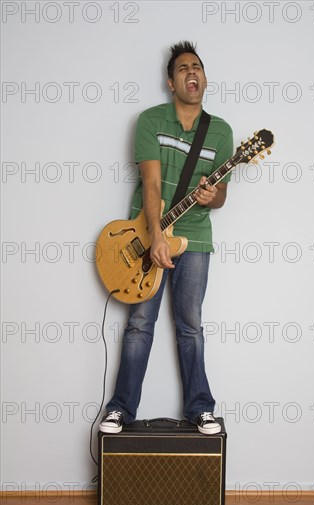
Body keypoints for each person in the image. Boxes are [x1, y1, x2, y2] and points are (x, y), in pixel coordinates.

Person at [99, 41, 233, 435]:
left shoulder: (221, 132)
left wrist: (215, 195)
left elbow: (223, 195)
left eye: (197, 67)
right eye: (182, 68)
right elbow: (152, 184)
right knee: (141, 321)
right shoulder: (150, 120)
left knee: (190, 324)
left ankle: (200, 408)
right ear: (171, 82)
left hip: (195, 239)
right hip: (146, 233)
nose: (192, 72)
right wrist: (156, 236)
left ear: (204, 79)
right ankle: (121, 409)